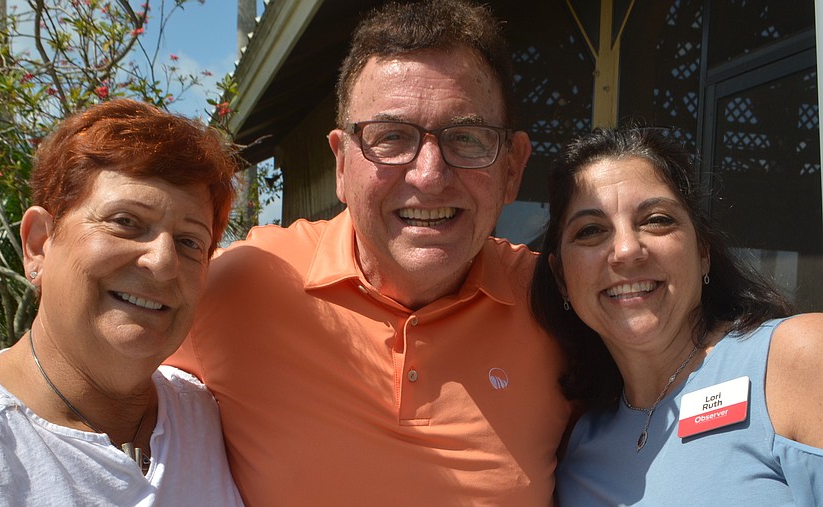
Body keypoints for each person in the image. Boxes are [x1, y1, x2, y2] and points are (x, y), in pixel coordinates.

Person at [166, 0, 572, 505]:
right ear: (341, 163)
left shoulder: (561, 308)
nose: (428, 175)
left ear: (512, 168)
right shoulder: (239, 286)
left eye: (466, 138)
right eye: (391, 137)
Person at [530, 125, 823, 506]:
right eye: (590, 230)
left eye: (656, 220)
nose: (626, 250)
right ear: (562, 279)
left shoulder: (796, 359)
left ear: (703, 250)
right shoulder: (578, 449)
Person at [0, 99, 244, 506]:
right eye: (126, 222)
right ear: (39, 244)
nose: (163, 262)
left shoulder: (205, 414)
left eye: (190, 242)